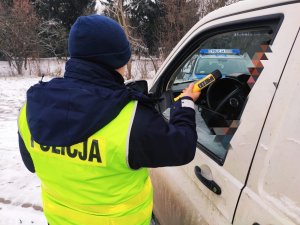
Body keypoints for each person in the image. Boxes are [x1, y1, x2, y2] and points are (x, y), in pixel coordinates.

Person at [18, 15, 200, 225]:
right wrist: (185, 103)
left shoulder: (30, 109)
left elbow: (31, 164)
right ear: (118, 60)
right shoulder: (132, 119)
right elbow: (183, 146)